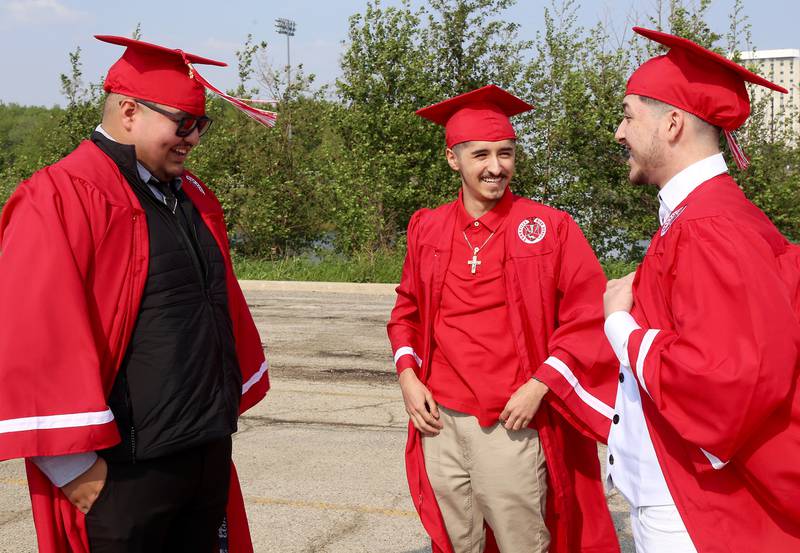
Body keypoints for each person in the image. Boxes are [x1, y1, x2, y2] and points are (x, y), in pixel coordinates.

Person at [0, 35, 273, 553]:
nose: (193, 138)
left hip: (202, 455)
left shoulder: (189, 195)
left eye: (201, 125)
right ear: (129, 111)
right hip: (125, 477)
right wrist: (78, 474)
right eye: (183, 123)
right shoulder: (58, 197)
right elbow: (29, 338)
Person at [387, 85, 620, 553]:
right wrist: (408, 378)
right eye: (481, 154)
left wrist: (539, 386)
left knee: (521, 541)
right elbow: (407, 311)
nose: (496, 167)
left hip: (511, 420)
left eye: (506, 153)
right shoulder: (428, 228)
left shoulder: (549, 228)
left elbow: (588, 316)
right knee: (456, 540)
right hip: (440, 419)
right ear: (454, 159)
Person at [602, 27, 800, 552]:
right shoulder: (697, 216)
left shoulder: (708, 227)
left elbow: (726, 378)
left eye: (627, 116)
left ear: (671, 123)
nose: (619, 133)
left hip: (696, 507)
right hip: (679, 491)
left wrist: (619, 326)